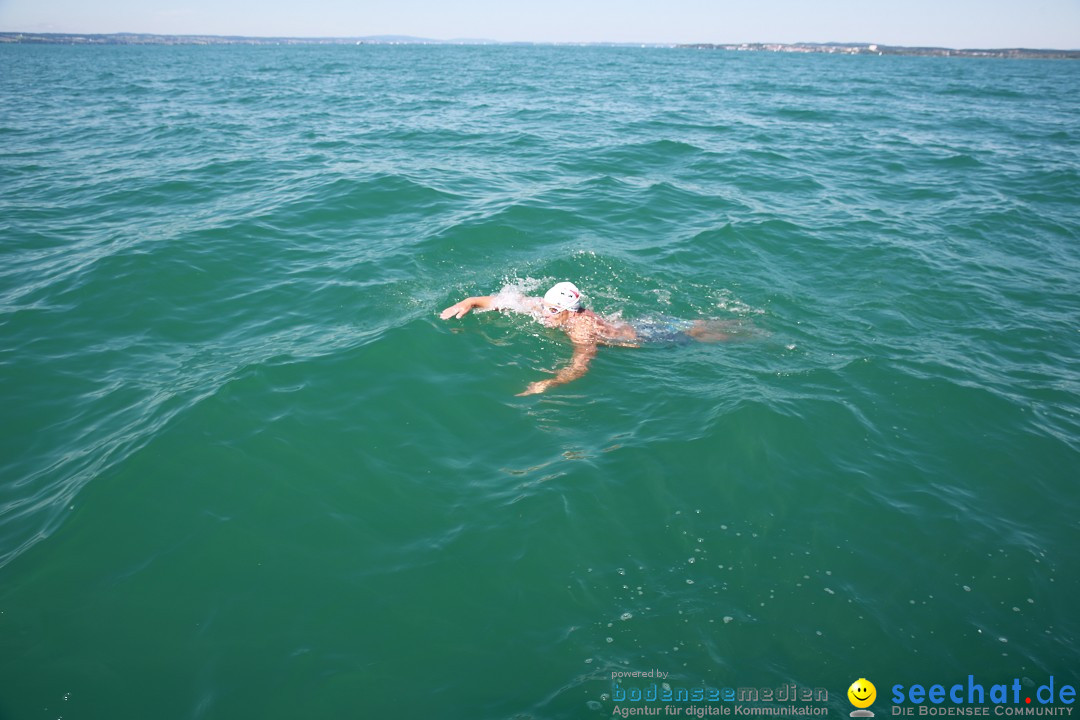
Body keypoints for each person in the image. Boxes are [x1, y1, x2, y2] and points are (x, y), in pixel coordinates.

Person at [440, 281, 731, 395]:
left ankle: (752, 335)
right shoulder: (549, 307)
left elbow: (581, 365)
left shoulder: (582, 328)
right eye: (547, 306)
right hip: (637, 324)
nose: (547, 313)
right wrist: (469, 301)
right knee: (698, 325)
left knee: (701, 334)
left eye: (555, 310)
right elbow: (505, 300)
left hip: (651, 338)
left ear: (569, 310)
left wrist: (549, 382)